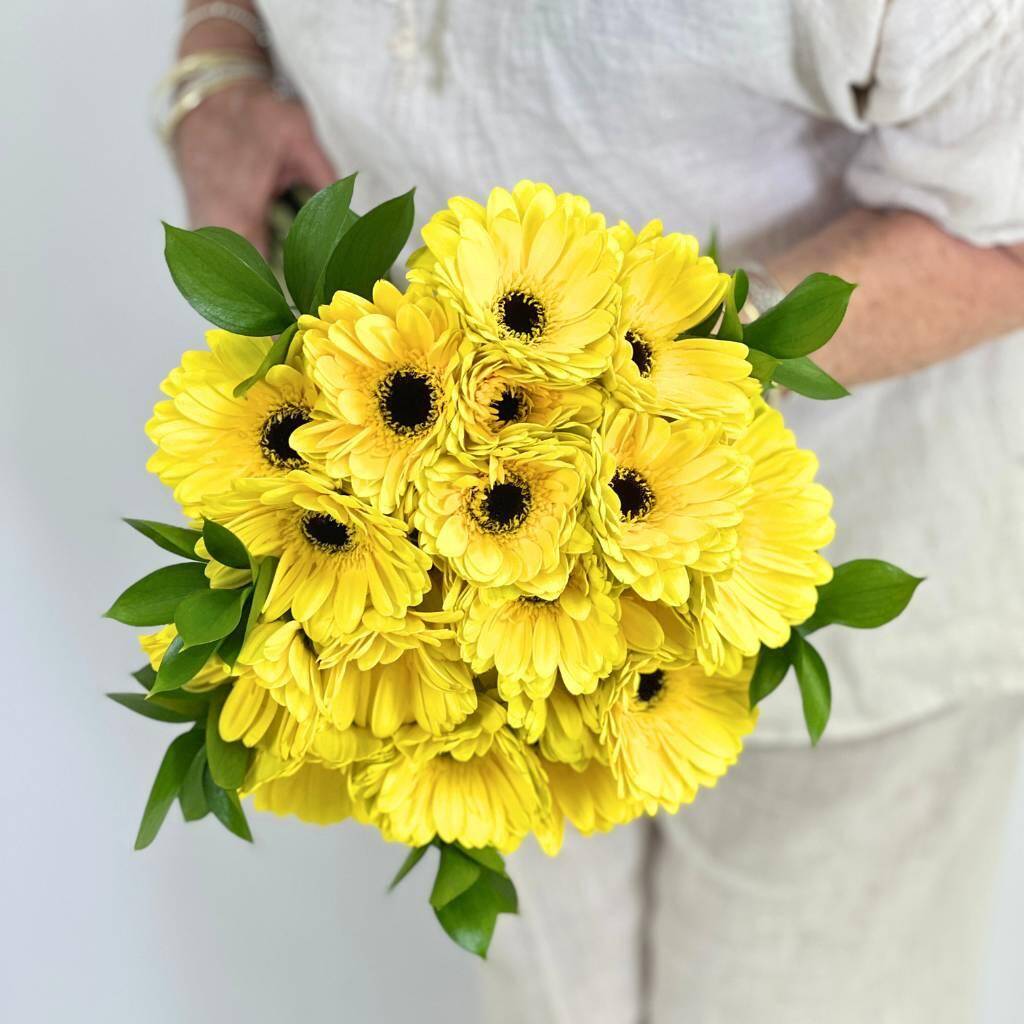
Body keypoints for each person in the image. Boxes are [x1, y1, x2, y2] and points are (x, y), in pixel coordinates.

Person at [167, 2, 1024, 1020]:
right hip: (445, 601)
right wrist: (213, 65)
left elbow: (1007, 223)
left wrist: (666, 374)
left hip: (852, 548)